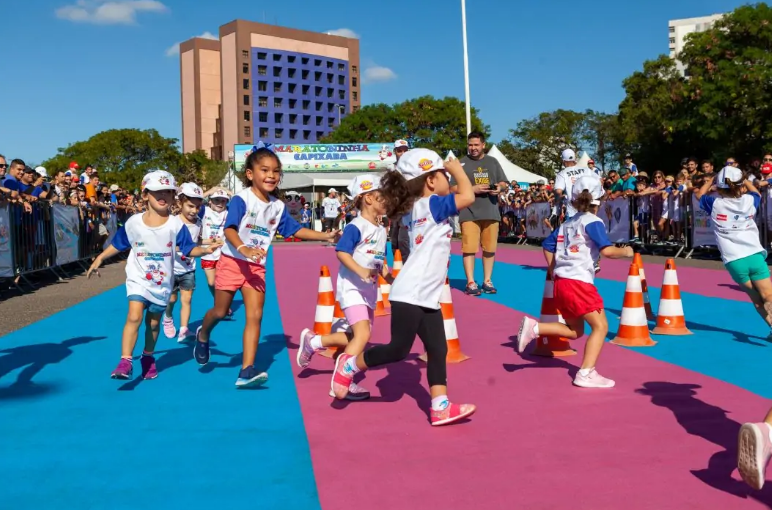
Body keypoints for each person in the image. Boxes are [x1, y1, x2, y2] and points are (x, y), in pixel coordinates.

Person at [331, 148, 477, 426]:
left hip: (425, 293)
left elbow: (456, 193)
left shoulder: (418, 207)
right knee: (399, 349)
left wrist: (450, 177)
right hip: (411, 292)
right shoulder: (431, 204)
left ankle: (440, 406)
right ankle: (350, 365)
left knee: (438, 348)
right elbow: (467, 196)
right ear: (431, 181)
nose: (449, 179)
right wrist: (458, 168)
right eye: (443, 175)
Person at [193, 147, 338, 388]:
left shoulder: (278, 206)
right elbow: (229, 229)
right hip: (232, 261)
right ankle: (203, 334)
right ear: (250, 174)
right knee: (220, 311)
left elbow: (294, 230)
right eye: (265, 170)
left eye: (276, 171)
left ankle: (246, 370)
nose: (271, 175)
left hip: (256, 267)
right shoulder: (242, 199)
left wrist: (326, 235)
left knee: (255, 316)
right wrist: (243, 249)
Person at [86, 170, 221, 380]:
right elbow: (119, 244)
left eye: (167, 192)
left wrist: (205, 250)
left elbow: (188, 249)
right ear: (145, 194)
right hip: (138, 279)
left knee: (154, 323)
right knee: (134, 315)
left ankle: (148, 357)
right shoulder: (133, 222)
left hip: (162, 283)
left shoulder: (176, 225)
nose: (163, 196)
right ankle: (125, 361)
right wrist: (100, 258)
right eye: (157, 191)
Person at [515, 175, 634, 389]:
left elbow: (547, 245)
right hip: (579, 283)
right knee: (601, 326)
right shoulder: (593, 221)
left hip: (562, 282)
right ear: (600, 198)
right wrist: (626, 251)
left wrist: (554, 269)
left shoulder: (567, 223)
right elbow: (608, 251)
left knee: (575, 330)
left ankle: (536, 328)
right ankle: (586, 373)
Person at [297, 174, 389, 401]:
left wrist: (393, 279)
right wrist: (361, 271)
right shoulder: (356, 226)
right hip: (351, 288)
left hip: (369, 291)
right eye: (382, 196)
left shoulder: (381, 229)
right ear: (368, 198)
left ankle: (314, 342)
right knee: (363, 334)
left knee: (356, 336)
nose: (387, 200)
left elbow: (380, 261)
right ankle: (342, 383)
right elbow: (341, 252)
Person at [455, 131, 508, 296]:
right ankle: (470, 282)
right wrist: (472, 189)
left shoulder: (492, 162)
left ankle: (487, 280)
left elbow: (504, 183)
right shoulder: (461, 163)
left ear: (483, 145)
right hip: (468, 211)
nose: (473, 148)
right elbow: (450, 188)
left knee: (490, 249)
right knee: (469, 249)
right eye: (470, 145)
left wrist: (499, 188)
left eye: (476, 145)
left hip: (491, 211)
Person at [163, 183, 205, 343]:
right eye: (190, 206)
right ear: (180, 204)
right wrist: (184, 248)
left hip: (188, 268)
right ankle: (167, 317)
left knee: (187, 299)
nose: (194, 210)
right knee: (172, 299)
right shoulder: (173, 222)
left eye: (198, 207)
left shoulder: (199, 222)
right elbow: (167, 243)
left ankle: (184, 329)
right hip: (171, 268)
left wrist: (210, 243)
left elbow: (197, 241)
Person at [199, 188, 231, 318]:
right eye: (216, 200)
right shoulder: (204, 211)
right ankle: (219, 301)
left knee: (222, 282)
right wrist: (211, 190)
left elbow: (242, 204)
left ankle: (223, 304)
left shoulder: (228, 213)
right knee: (212, 283)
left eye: (223, 201)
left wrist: (227, 191)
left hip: (224, 253)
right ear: (210, 201)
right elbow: (195, 201)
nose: (219, 203)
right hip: (208, 253)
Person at [389, 139, 411, 260]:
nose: (402, 153)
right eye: (399, 151)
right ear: (395, 152)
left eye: (405, 151)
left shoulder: (412, 168)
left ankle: (407, 269)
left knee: (403, 241)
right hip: (394, 209)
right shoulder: (391, 168)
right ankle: (398, 268)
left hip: (408, 208)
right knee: (394, 242)